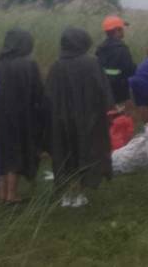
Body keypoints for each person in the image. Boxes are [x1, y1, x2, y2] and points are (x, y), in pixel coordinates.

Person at [46, 27, 114, 208]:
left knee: (65, 153)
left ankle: (68, 194)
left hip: (61, 119)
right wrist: (109, 109)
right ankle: (79, 193)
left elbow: (49, 95)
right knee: (85, 152)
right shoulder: (91, 62)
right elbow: (102, 89)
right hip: (87, 118)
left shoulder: (56, 65)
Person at [0, 29, 50, 204]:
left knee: (3, 152)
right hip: (22, 116)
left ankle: (1, 193)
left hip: (0, 116)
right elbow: (38, 92)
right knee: (17, 152)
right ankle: (12, 195)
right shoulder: (28, 65)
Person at [96, 16, 137, 110]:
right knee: (121, 116)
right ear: (117, 31)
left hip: (105, 88)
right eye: (121, 29)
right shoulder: (122, 49)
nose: (123, 31)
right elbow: (130, 70)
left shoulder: (100, 48)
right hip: (121, 90)